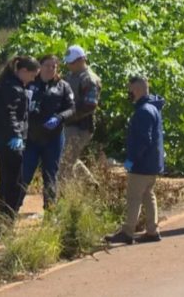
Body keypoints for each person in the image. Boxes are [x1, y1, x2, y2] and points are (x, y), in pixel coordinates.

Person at [105, 76, 165, 244]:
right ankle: (153, 230)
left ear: (137, 90)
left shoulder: (143, 111)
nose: (128, 92)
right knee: (148, 195)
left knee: (134, 197)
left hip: (142, 164)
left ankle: (127, 232)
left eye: (130, 89)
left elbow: (143, 140)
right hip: (153, 163)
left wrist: (132, 159)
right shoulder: (153, 108)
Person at [0, 56, 40, 238]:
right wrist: (16, 134)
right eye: (32, 75)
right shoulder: (13, 88)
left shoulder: (7, 84)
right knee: (13, 186)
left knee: (5, 184)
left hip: (2, 142)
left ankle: (1, 226)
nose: (33, 79)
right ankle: (4, 225)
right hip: (10, 143)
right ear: (23, 71)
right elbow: (9, 114)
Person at [22, 54, 75, 210]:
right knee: (24, 173)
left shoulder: (63, 86)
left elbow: (71, 108)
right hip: (32, 137)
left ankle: (50, 211)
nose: (51, 69)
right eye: (47, 65)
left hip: (53, 138)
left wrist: (59, 118)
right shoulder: (30, 82)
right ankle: (13, 208)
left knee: (50, 175)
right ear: (40, 66)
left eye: (54, 66)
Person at [60, 45, 102, 182]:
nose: (68, 65)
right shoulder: (72, 75)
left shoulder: (89, 79)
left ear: (82, 60)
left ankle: (64, 196)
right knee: (70, 158)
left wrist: (67, 115)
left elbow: (89, 105)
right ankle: (91, 184)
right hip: (70, 124)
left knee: (64, 164)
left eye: (71, 62)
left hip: (80, 126)